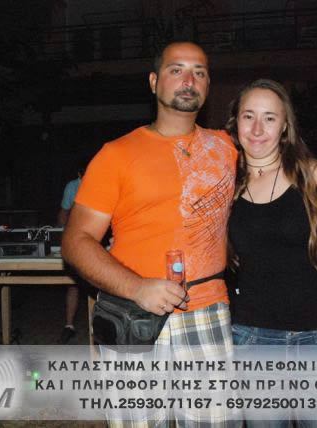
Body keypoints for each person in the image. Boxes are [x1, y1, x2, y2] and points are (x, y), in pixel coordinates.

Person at [62, 41, 239, 427]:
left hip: (207, 311)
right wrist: (137, 287)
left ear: (208, 86)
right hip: (132, 313)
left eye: (199, 72)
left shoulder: (227, 148)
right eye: (177, 70)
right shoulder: (116, 155)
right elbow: (76, 241)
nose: (189, 80)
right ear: (154, 82)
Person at [225, 79, 317, 426]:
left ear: (285, 127)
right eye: (249, 116)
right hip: (254, 340)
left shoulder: (310, 174)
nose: (258, 129)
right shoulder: (226, 182)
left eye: (269, 118)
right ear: (236, 122)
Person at [57, 163, 86, 344]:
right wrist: (61, 236)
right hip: (76, 236)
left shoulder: (103, 182)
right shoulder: (72, 187)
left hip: (100, 236)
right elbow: (63, 213)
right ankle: (69, 325)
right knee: (73, 282)